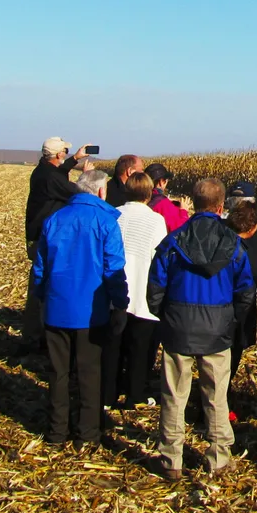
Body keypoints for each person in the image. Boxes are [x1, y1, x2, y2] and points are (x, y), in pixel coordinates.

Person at [146, 178, 254, 480]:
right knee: (216, 396)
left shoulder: (173, 241)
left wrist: (165, 316)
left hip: (178, 328)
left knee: (174, 396)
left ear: (193, 203)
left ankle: (171, 460)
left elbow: (155, 288)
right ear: (221, 206)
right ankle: (218, 458)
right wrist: (231, 321)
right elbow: (245, 291)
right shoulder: (233, 244)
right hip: (217, 332)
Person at [32, 170, 128, 449]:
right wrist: (120, 303)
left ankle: (57, 431)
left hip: (56, 308)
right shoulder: (106, 222)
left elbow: (41, 268)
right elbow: (114, 268)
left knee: (58, 373)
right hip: (91, 312)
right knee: (89, 372)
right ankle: (87, 433)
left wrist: (42, 298)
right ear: (100, 192)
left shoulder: (54, 220)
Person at [23, 137, 91, 350]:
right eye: (66, 151)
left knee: (41, 283)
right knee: (42, 286)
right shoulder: (50, 177)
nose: (67, 153)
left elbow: (58, 175)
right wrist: (87, 177)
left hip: (40, 235)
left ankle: (37, 333)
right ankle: (36, 336)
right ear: (59, 154)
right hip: (45, 239)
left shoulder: (43, 171)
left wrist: (75, 160)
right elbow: (76, 192)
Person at [109, 171, 168, 409]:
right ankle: (135, 394)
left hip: (116, 291)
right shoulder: (155, 221)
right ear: (149, 193)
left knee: (113, 347)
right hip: (143, 290)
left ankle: (107, 395)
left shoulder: (115, 216)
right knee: (140, 349)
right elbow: (159, 256)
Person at [224, 200, 257, 419]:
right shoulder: (243, 255)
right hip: (233, 318)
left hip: (212, 315)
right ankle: (217, 408)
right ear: (252, 229)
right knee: (228, 361)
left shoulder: (220, 238)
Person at [145, 163, 189, 233]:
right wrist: (183, 211)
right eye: (166, 181)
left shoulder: (142, 197)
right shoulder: (163, 204)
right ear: (161, 182)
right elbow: (178, 231)